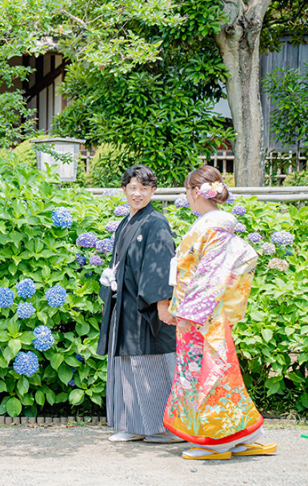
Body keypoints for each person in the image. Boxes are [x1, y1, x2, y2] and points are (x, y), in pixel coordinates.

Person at [163, 166, 276, 460]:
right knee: (220, 374)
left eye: (187, 191)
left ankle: (216, 442)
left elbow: (209, 275)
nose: (186, 197)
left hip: (202, 317)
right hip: (205, 313)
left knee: (207, 375)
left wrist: (189, 313)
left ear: (196, 192)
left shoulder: (212, 227)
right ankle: (243, 436)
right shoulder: (212, 225)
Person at [97, 165, 182, 444]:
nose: (137, 193)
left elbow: (160, 266)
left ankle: (165, 428)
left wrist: (162, 304)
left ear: (153, 191)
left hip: (145, 309)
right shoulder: (127, 222)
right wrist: (110, 276)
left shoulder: (155, 222)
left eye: (144, 188)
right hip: (125, 306)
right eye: (132, 188)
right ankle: (133, 424)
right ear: (124, 190)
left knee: (151, 365)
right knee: (126, 365)